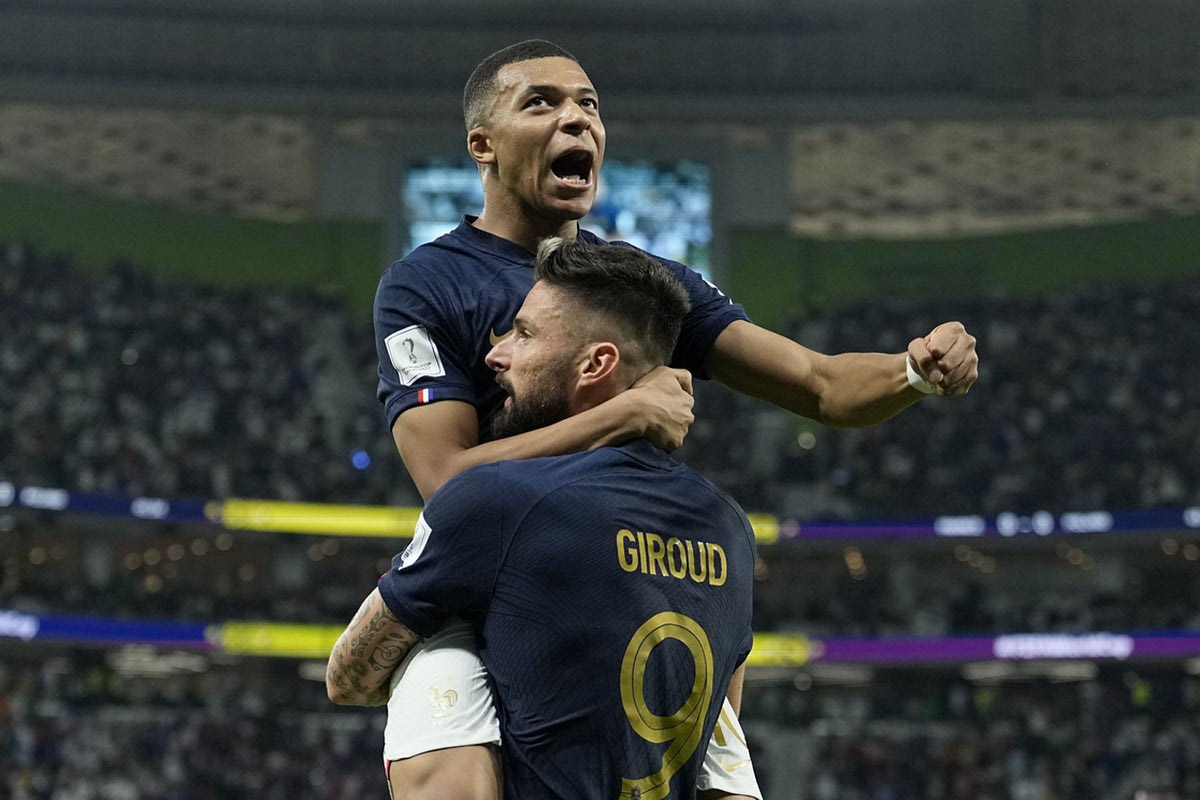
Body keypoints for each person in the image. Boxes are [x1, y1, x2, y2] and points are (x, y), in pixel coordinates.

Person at [370, 38, 978, 799]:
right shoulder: (425, 284)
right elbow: (445, 480)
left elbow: (821, 386)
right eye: (542, 103)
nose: (577, 120)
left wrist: (914, 370)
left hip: (633, 581)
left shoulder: (638, 285)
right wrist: (624, 412)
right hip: (499, 590)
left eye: (588, 105)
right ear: (482, 145)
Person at [331, 238, 758, 799]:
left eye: (524, 334)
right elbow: (720, 752)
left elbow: (347, 679)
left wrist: (452, 630)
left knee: (436, 648)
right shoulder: (731, 527)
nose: (496, 355)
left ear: (595, 365)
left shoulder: (493, 500)